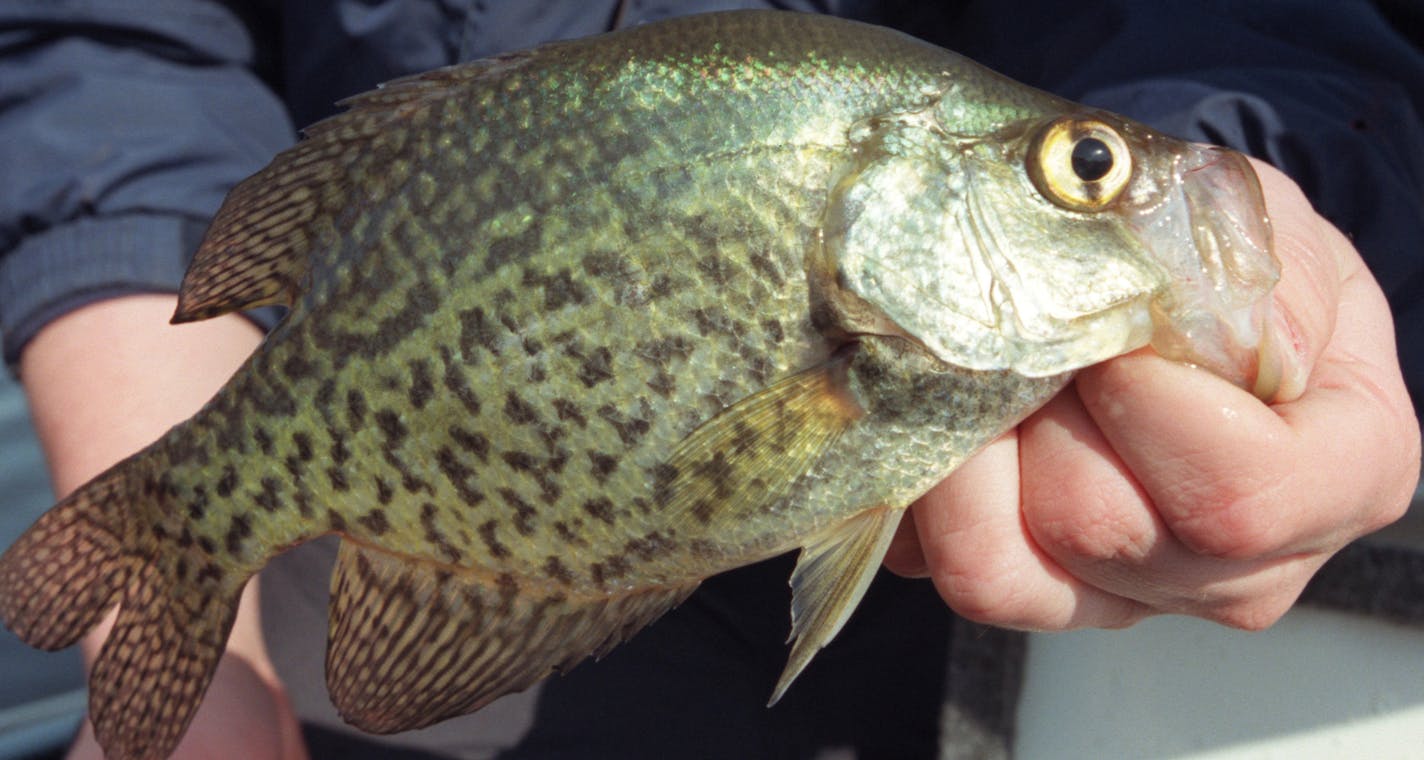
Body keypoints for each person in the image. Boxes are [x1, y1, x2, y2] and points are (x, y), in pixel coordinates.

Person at [1, 2, 1419, 759]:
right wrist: (165, 459)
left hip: (924, 671)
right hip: (337, 474)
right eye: (1086, 175)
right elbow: (110, 29)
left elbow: (1261, 27)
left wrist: (1254, 163)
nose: (1110, 192)